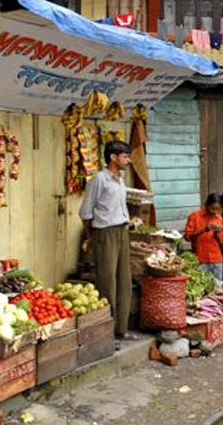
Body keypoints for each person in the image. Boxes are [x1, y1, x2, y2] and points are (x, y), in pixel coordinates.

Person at [79, 140, 133, 339]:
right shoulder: (99, 180)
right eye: (125, 156)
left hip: (122, 231)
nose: (128, 160)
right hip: (105, 232)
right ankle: (107, 332)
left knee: (124, 280)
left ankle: (121, 329)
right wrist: (92, 236)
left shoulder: (120, 180)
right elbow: (85, 212)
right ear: (113, 157)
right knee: (107, 281)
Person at [184, 193, 223, 283]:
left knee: (218, 286)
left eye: (217, 209)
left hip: (216, 259)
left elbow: (220, 241)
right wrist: (205, 229)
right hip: (200, 259)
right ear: (206, 205)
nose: (215, 212)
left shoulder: (219, 218)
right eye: (212, 208)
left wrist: (217, 232)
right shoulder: (195, 216)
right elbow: (187, 237)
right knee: (201, 286)